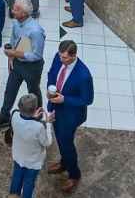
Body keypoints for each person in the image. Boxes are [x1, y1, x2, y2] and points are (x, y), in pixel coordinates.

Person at [0, 0, 46, 130]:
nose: (12, 11)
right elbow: (13, 40)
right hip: (17, 63)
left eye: (16, 9)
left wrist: (14, 54)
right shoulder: (16, 22)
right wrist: (11, 58)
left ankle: (37, 115)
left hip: (32, 67)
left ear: (24, 13)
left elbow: (37, 55)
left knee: (34, 91)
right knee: (10, 89)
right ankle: (4, 116)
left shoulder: (36, 31)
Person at [47, 40, 95, 193]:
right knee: (59, 138)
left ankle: (74, 174)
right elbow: (51, 74)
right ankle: (64, 162)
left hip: (71, 114)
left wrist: (64, 99)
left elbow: (87, 99)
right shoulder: (58, 58)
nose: (61, 59)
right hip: (55, 108)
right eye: (60, 56)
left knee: (66, 142)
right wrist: (50, 90)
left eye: (65, 57)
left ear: (74, 56)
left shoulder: (84, 75)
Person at [10, 93, 55, 198]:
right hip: (33, 161)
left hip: (18, 155)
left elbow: (24, 124)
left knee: (16, 178)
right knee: (28, 184)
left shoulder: (14, 115)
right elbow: (47, 143)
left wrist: (33, 117)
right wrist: (48, 123)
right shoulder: (38, 127)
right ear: (34, 109)